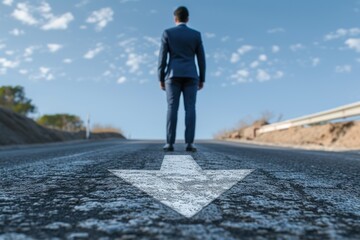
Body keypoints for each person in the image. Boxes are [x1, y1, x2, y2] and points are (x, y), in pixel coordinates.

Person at [158, 6, 206, 152]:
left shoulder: (168, 33)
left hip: (172, 76)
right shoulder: (196, 35)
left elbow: (162, 59)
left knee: (172, 108)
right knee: (190, 108)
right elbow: (201, 59)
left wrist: (161, 78)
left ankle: (169, 143)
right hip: (191, 76)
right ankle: (190, 143)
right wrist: (202, 78)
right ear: (188, 18)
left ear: (175, 18)